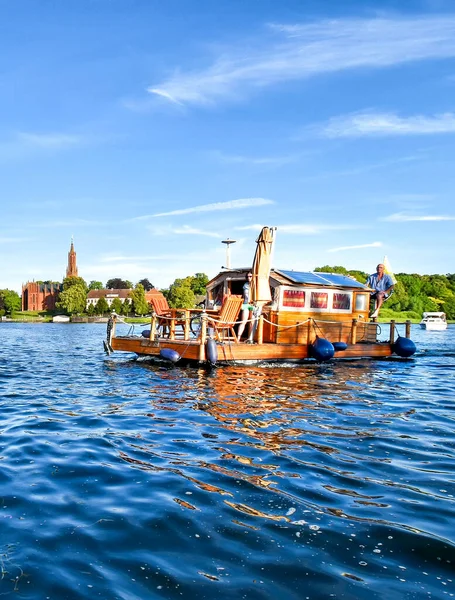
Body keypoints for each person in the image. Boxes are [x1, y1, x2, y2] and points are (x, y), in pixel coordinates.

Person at [237, 272, 253, 340]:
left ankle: (250, 338)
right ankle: (238, 338)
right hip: (246, 304)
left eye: (250, 276)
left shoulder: (255, 285)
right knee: (243, 321)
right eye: (247, 277)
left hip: (253, 304)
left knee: (252, 322)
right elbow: (244, 295)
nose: (248, 278)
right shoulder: (245, 285)